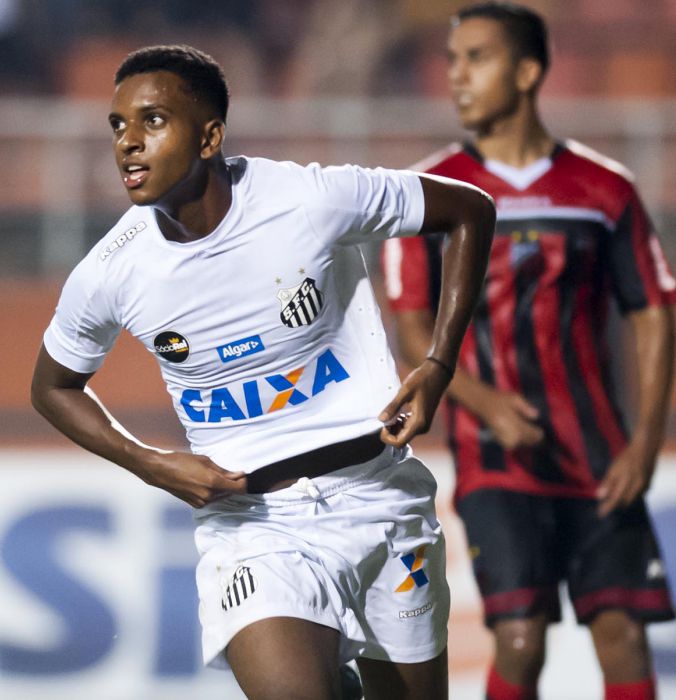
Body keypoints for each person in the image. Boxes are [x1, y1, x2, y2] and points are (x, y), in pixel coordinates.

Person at [30, 45, 495, 700]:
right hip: (255, 526)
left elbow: (469, 210)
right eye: (117, 126)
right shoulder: (112, 271)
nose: (128, 144)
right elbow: (52, 388)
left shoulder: (311, 199)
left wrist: (439, 364)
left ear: (210, 136)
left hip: (382, 494)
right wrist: (151, 463)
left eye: (153, 121)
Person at [382, 4, 676, 700]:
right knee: (520, 638)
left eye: (476, 58)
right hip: (494, 455)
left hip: (600, 453)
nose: (456, 76)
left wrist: (645, 445)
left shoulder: (604, 190)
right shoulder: (429, 194)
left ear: (528, 71)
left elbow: (655, 314)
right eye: (451, 60)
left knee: (623, 636)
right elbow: (411, 329)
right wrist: (484, 401)